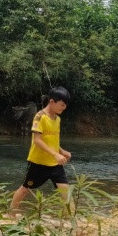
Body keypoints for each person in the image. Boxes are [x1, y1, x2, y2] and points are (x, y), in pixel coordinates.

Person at [10, 86, 75, 216]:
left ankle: (71, 219)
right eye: (62, 105)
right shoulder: (40, 117)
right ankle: (11, 214)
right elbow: (37, 141)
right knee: (25, 188)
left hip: (55, 163)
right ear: (52, 102)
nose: (64, 108)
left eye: (65, 106)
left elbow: (52, 140)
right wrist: (56, 154)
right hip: (38, 162)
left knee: (65, 191)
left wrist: (61, 151)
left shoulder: (57, 119)